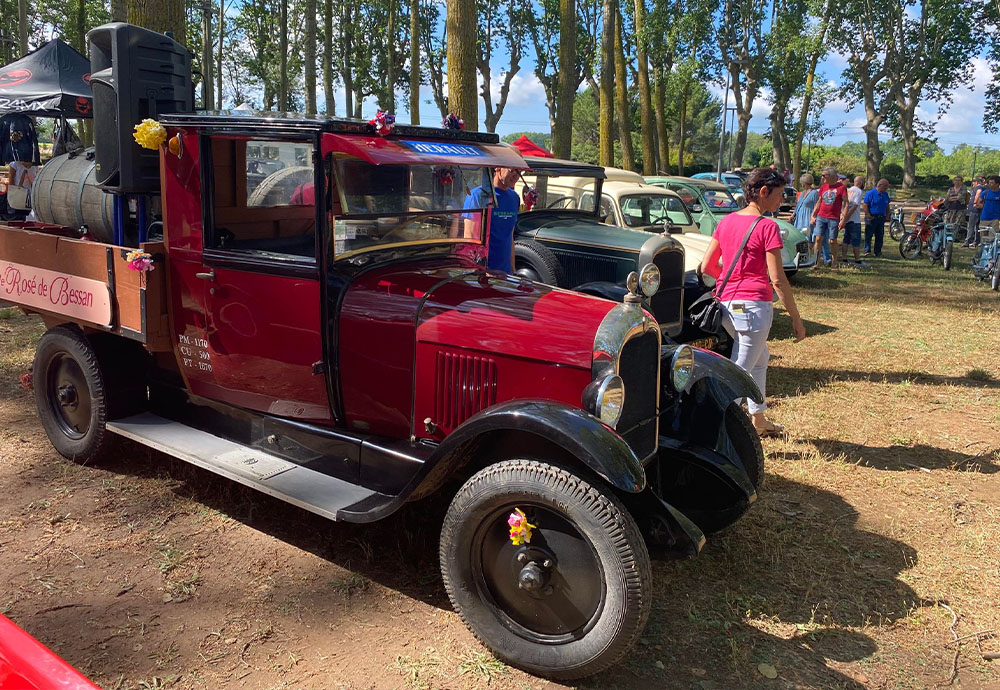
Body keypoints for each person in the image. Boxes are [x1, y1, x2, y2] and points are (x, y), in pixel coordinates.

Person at [698, 167, 806, 438]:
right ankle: (722, 433)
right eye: (779, 195)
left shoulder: (726, 222)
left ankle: (757, 419)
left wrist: (730, 279)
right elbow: (778, 280)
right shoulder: (768, 226)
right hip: (754, 308)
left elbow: (707, 266)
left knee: (760, 358)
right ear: (763, 192)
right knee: (738, 371)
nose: (782, 201)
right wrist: (795, 317)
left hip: (726, 306)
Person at [464, 167, 520, 273]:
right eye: (512, 170)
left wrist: (513, 270)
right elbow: (469, 237)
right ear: (498, 168)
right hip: (483, 274)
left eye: (519, 172)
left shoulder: (514, 198)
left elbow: (510, 236)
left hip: (505, 274)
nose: (516, 176)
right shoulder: (477, 196)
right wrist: (475, 271)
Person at [810, 167, 849, 268]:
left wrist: (843, 218)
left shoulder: (841, 187)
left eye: (824, 175)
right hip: (821, 216)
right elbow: (819, 201)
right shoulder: (823, 187)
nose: (822, 177)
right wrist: (813, 214)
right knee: (818, 239)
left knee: (832, 240)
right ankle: (816, 262)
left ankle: (834, 262)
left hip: (833, 218)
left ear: (831, 176)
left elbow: (846, 203)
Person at [840, 176, 865, 265]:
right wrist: (847, 217)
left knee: (846, 239)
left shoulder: (848, 190)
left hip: (846, 219)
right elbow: (854, 206)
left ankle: (844, 257)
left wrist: (843, 216)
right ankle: (857, 259)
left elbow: (843, 204)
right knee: (856, 240)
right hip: (854, 220)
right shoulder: (858, 191)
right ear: (860, 182)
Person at [862, 178, 891, 257]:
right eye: (885, 187)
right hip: (872, 217)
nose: (886, 189)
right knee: (869, 235)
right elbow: (865, 205)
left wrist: (887, 215)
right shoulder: (870, 193)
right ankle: (867, 251)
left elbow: (887, 205)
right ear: (880, 185)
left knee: (880, 235)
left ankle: (878, 251)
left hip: (881, 217)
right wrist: (868, 215)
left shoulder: (885, 194)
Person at [977, 175, 1000, 242]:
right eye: (989, 182)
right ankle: (983, 252)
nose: (990, 184)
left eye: (992, 183)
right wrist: (984, 207)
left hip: (995, 220)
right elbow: (978, 203)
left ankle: (992, 252)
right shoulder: (985, 192)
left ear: (997, 184)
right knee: (983, 239)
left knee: (993, 239)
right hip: (984, 218)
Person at [964, 176, 985, 247]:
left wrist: (975, 202)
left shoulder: (978, 188)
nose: (973, 185)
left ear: (976, 182)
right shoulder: (982, 187)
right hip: (977, 210)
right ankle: (976, 241)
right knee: (977, 227)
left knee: (971, 226)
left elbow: (979, 193)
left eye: (973, 183)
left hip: (975, 210)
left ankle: (968, 241)